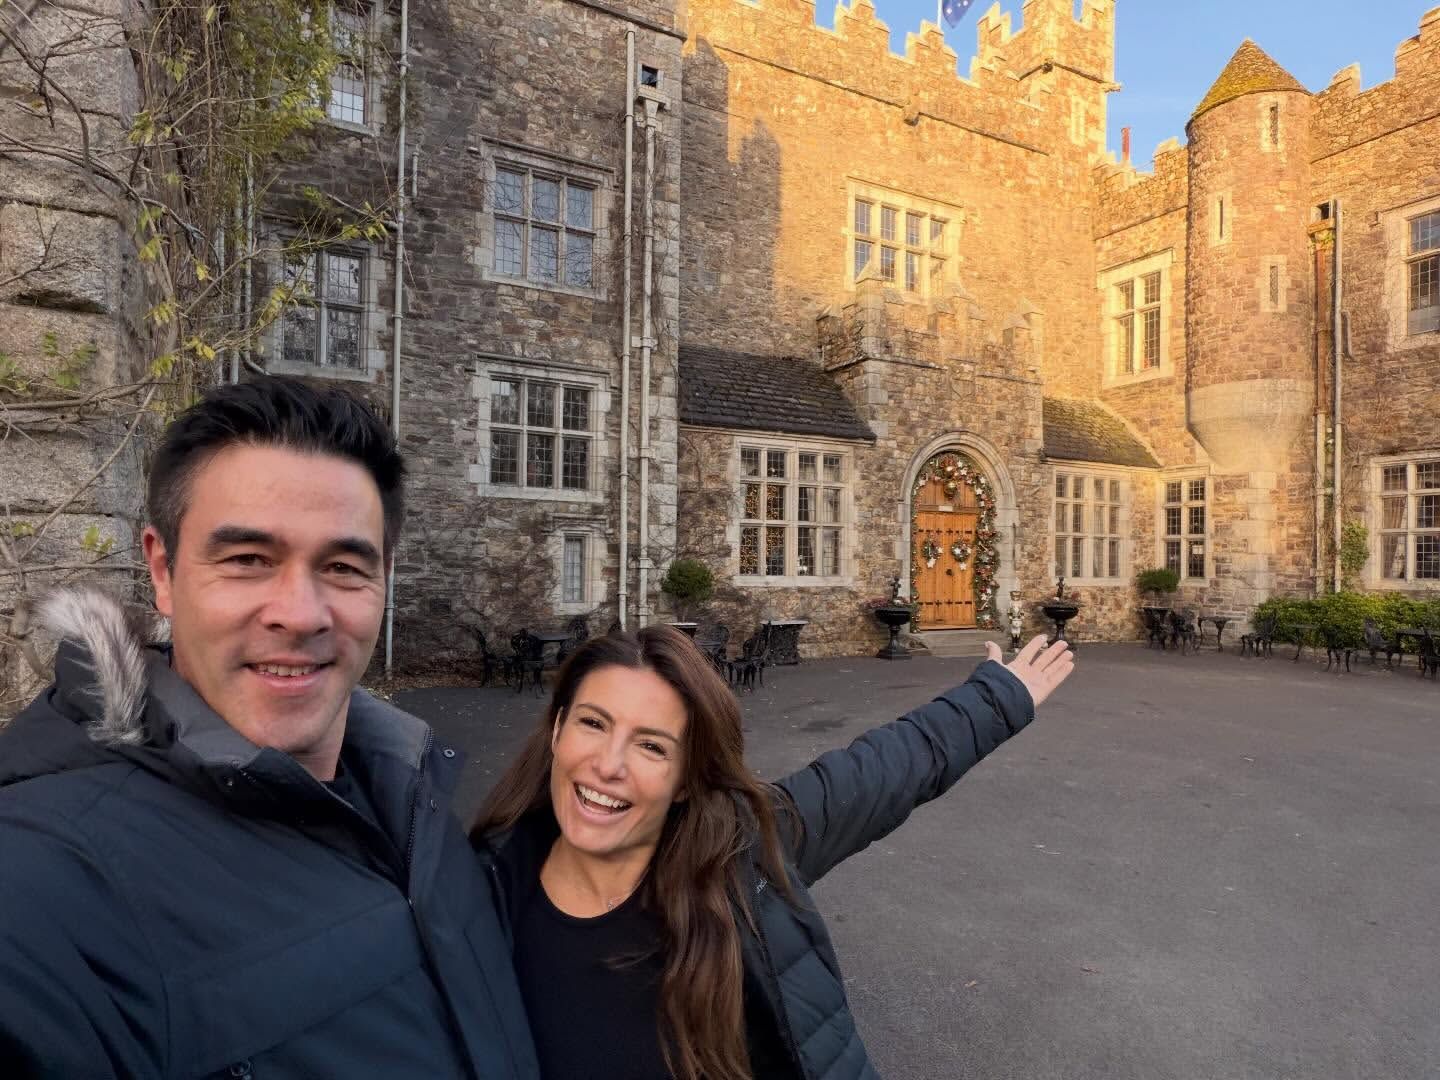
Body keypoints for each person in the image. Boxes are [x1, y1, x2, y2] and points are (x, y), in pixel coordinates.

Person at [0, 378, 539, 1078]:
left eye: (343, 567)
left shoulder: (416, 803)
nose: (301, 613)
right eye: (248, 560)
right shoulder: (49, 883)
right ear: (162, 569)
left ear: (385, 578)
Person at [472, 624, 1074, 1080]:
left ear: (685, 780)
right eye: (593, 723)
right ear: (557, 729)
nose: (608, 765)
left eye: (651, 746)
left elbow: (882, 772)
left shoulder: (740, 857)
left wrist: (997, 699)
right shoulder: (475, 893)